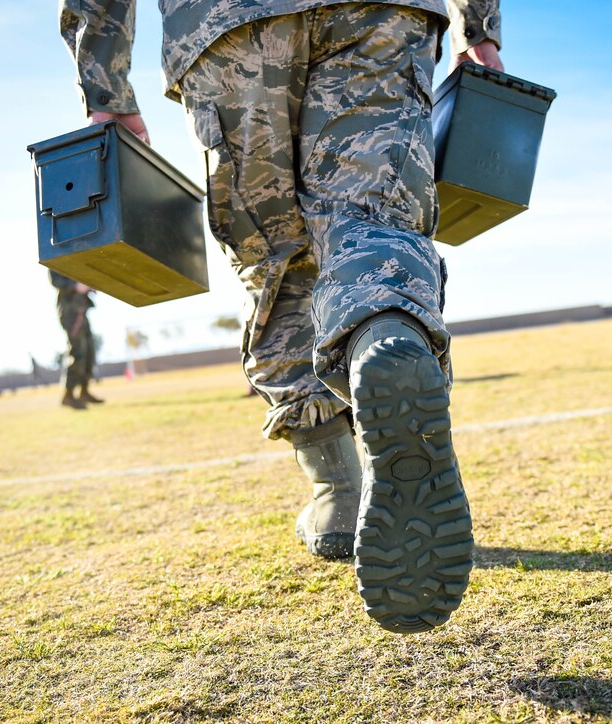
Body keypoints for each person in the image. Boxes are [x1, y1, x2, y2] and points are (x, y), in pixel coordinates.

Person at [60, 0, 502, 632]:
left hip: (226, 24)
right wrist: (478, 27)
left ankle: (337, 490)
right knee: (372, 217)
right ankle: (385, 332)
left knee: (276, 258)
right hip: (382, 15)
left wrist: (105, 87)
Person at [50, 270, 103, 410]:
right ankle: (68, 395)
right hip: (70, 312)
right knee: (77, 352)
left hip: (81, 310)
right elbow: (56, 281)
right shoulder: (57, 259)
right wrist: (75, 286)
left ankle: (84, 391)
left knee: (89, 351)